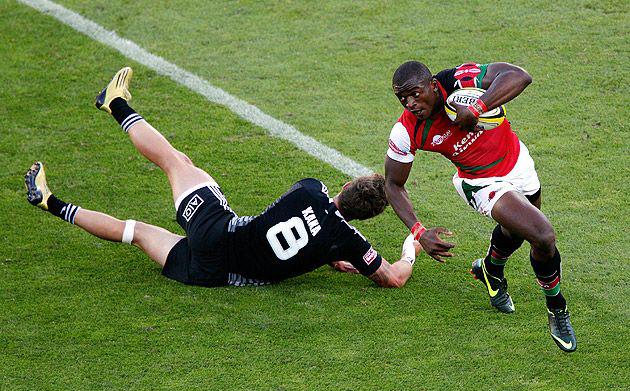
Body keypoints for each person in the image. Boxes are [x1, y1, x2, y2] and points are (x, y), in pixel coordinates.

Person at [25, 67, 420, 290]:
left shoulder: (313, 189)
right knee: (137, 232)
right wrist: (407, 251)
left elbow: (300, 217)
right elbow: (393, 278)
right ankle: (49, 202)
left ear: (347, 186)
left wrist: (331, 251)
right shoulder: (348, 241)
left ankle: (115, 103)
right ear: (364, 219)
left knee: (176, 161)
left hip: (217, 230)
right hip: (215, 274)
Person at [384, 61, 577, 352]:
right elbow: (392, 185)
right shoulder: (406, 130)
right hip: (480, 182)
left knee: (518, 232)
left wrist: (477, 107)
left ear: (433, 86)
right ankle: (557, 309)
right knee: (543, 235)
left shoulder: (460, 80)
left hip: (516, 160)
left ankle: (490, 269)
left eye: (415, 94)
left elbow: (519, 76)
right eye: (403, 98)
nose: (410, 103)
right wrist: (419, 231)